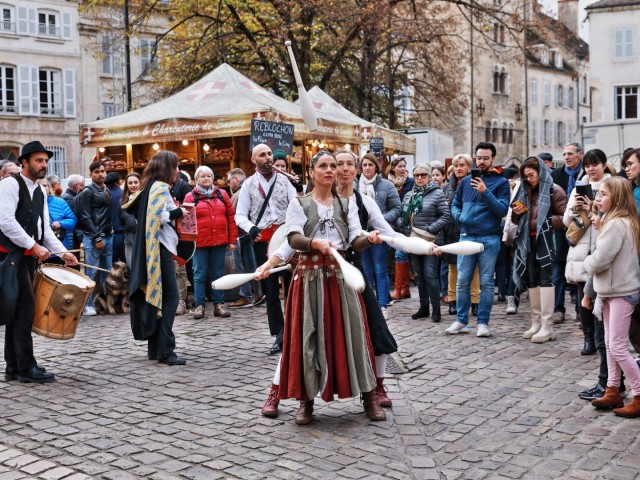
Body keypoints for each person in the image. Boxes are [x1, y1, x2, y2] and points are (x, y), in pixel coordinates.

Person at [257, 150, 386, 425]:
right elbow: (292, 238)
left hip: (340, 279)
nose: (330, 170)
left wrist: (369, 239)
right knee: (307, 338)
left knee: (355, 335)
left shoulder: (346, 204)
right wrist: (311, 245)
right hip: (308, 280)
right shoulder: (299, 203)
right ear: (312, 172)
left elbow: (354, 238)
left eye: (333, 166)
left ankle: (369, 397)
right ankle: (306, 401)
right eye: (323, 166)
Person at [0, 141, 78, 383]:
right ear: (24, 162)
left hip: (25, 259)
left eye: (45, 161)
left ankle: (14, 368)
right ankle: (26, 368)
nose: (44, 165)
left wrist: (62, 252)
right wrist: (33, 246)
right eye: (38, 160)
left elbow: (43, 229)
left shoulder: (40, 191)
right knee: (24, 311)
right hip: (9, 257)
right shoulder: (9, 185)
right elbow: (6, 222)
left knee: (17, 313)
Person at [335, 149, 399, 407]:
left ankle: (379, 387)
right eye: (339, 164)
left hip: (355, 271)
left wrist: (421, 246)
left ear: (357, 170)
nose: (345, 169)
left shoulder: (364, 202)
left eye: (350, 164)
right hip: (325, 272)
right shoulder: (320, 200)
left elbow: (387, 231)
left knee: (377, 330)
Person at [124, 150, 187, 366]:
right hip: (159, 248)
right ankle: (166, 350)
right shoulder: (160, 187)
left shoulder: (149, 187)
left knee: (159, 299)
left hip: (154, 248)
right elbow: (158, 218)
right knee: (171, 298)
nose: (177, 171)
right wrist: (180, 212)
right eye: (175, 166)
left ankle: (156, 349)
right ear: (168, 168)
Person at [584, 177, 640, 417]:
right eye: (598, 194)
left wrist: (587, 262)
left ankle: (639, 393)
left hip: (621, 292)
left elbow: (600, 259)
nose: (598, 198)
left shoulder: (616, 224)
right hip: (611, 291)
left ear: (616, 198)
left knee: (616, 346)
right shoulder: (617, 221)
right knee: (609, 343)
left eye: (604, 194)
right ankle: (612, 390)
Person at [235, 144, 297, 355]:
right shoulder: (248, 184)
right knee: (270, 291)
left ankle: (295, 331)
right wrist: (251, 228)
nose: (268, 157)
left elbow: (296, 206)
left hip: (286, 239)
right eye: (262, 155)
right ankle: (279, 335)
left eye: (269, 154)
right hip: (263, 240)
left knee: (293, 287)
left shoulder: (285, 180)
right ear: (254, 159)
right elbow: (239, 215)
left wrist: (298, 188)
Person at [447, 142, 510, 337]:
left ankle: (483, 323)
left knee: (486, 283)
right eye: (479, 158)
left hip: (489, 237)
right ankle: (461, 321)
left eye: (486, 158)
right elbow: (455, 204)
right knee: (462, 280)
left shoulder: (501, 182)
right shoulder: (466, 181)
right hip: (466, 235)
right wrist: (460, 217)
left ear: (493, 159)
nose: (481, 161)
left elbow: (502, 210)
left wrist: (485, 191)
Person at [511, 156, 567, 343]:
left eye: (531, 175)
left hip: (547, 240)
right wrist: (517, 214)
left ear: (540, 172)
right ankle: (536, 322)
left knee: (546, 279)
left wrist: (541, 222)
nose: (528, 179)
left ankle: (547, 325)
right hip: (527, 241)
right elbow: (515, 219)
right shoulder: (524, 191)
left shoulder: (554, 190)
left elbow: (566, 218)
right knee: (532, 279)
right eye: (525, 176)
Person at [565, 149, 612, 358]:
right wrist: (576, 208)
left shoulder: (611, 186)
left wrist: (592, 207)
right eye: (587, 165)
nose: (591, 169)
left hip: (602, 243)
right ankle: (588, 339)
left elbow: (615, 215)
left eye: (594, 164)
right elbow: (566, 221)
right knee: (582, 295)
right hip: (581, 248)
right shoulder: (579, 186)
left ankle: (602, 339)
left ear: (604, 165)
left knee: (600, 295)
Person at [185, 166, 238, 319]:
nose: (206, 178)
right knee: (199, 275)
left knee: (218, 274)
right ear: (196, 179)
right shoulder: (190, 197)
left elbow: (231, 218)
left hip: (219, 242)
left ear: (213, 178)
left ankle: (218, 305)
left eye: (209, 175)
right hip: (199, 244)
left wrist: (232, 240)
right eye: (202, 176)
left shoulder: (222, 194)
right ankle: (199, 305)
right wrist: (188, 244)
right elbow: (186, 223)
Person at [400, 163, 451, 321]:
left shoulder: (437, 194)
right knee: (419, 275)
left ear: (429, 176)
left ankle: (436, 309)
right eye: (417, 175)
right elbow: (403, 215)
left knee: (430, 274)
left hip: (431, 240)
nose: (420, 178)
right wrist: (404, 229)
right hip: (413, 240)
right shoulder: (409, 195)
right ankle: (424, 307)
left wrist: (430, 229)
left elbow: (445, 215)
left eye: (423, 175)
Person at [358, 153, 401, 318]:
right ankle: (370, 305)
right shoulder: (355, 185)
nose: (367, 168)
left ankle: (382, 305)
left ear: (376, 167)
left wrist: (379, 220)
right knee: (366, 270)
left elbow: (396, 208)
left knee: (380, 269)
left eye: (370, 165)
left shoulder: (387, 185)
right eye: (364, 165)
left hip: (380, 234)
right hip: (362, 234)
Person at [442, 154, 481, 317]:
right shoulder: (447, 186)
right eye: (456, 165)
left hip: (470, 228)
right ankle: (453, 300)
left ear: (469, 167)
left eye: (462, 165)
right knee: (452, 268)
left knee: (474, 268)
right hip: (451, 229)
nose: (458, 168)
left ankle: (475, 302)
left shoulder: (474, 183)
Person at [551, 142, 585, 323]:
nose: (566, 157)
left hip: (582, 228)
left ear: (580, 154)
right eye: (564, 154)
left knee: (580, 268)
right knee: (558, 268)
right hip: (560, 227)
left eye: (570, 154)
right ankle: (558, 309)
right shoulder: (556, 175)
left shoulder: (586, 174)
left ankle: (581, 310)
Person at [75, 160, 113, 316]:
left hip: (108, 235)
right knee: (91, 273)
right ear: (91, 174)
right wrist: (97, 238)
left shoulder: (105, 188)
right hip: (93, 237)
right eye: (97, 172)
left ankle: (102, 304)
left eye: (103, 171)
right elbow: (85, 216)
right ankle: (87, 305)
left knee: (107, 272)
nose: (101, 174)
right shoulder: (88, 191)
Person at [226, 168, 256, 308]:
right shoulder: (248, 190)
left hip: (240, 234)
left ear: (236, 179)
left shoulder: (239, 194)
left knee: (241, 266)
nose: (228, 184)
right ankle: (256, 293)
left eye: (229, 181)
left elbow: (234, 217)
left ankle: (246, 295)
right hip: (248, 233)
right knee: (250, 265)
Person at [387, 156, 415, 301]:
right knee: (397, 256)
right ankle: (405, 288)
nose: (403, 169)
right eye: (399, 166)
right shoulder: (388, 183)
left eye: (404, 166)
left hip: (406, 224)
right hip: (391, 225)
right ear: (393, 168)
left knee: (400, 254)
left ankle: (399, 288)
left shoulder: (410, 183)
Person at [39, 178, 77, 252]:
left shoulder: (60, 202)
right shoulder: (29, 203)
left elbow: (73, 220)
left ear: (49, 187)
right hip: (39, 250)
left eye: (45, 185)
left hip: (60, 249)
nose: (42, 188)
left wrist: (60, 224)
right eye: (39, 186)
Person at [120, 172, 141, 267]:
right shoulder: (122, 201)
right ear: (126, 185)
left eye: (136, 182)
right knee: (131, 265)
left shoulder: (146, 199)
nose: (133, 185)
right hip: (129, 239)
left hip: (143, 238)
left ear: (140, 183)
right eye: (130, 183)